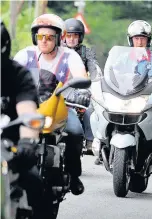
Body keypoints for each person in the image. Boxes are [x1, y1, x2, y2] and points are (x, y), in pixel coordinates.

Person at [13, 14, 89, 195]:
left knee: (75, 132)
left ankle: (73, 174)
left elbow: (80, 76)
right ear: (35, 38)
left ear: (58, 39)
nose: (44, 41)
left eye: (49, 37)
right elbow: (10, 75)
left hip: (60, 107)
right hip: (30, 107)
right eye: (40, 37)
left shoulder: (69, 55)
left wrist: (81, 91)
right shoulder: (25, 54)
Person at [1, 20, 44, 219]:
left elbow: (27, 112)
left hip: (9, 142)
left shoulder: (18, 74)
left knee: (34, 180)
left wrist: (27, 142)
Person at [64, 18, 100, 160]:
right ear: (63, 36)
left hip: (80, 88)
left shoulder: (86, 52)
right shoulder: (57, 50)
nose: (72, 39)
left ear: (80, 37)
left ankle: (91, 140)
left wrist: (97, 80)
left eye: (75, 36)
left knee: (91, 108)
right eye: (69, 35)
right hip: (60, 88)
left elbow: (95, 70)